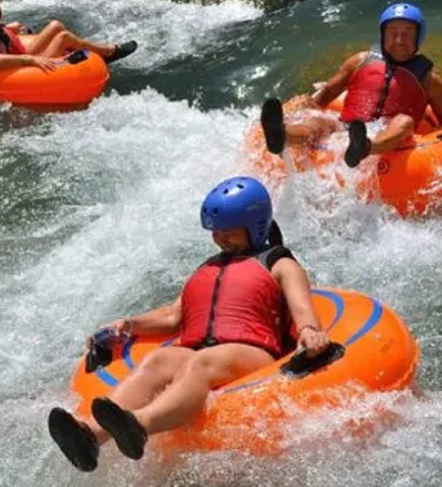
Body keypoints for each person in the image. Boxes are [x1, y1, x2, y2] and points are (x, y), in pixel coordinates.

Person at [48, 176, 330, 472]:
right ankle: (91, 435)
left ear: (255, 226)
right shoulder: (208, 267)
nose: (221, 239)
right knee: (160, 359)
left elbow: (302, 308)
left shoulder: (280, 264)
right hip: (202, 349)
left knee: (200, 363)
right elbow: (173, 316)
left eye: (229, 233)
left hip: (252, 352)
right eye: (216, 233)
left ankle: (140, 426)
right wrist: (127, 324)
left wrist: (310, 333)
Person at [260, 2, 442, 168]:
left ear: (418, 37)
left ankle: (365, 148)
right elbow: (323, 99)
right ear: (382, 35)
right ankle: (281, 135)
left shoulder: (430, 81)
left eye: (407, 33)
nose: (399, 39)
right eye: (392, 33)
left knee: (404, 121)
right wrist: (302, 107)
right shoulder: (359, 61)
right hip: (348, 126)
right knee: (320, 125)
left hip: (388, 134)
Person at [0, 0, 138, 71]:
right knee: (63, 36)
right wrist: (30, 59)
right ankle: (108, 52)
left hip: (20, 54)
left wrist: (13, 28)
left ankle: (81, 49)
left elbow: (2, 33)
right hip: (25, 66)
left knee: (55, 25)